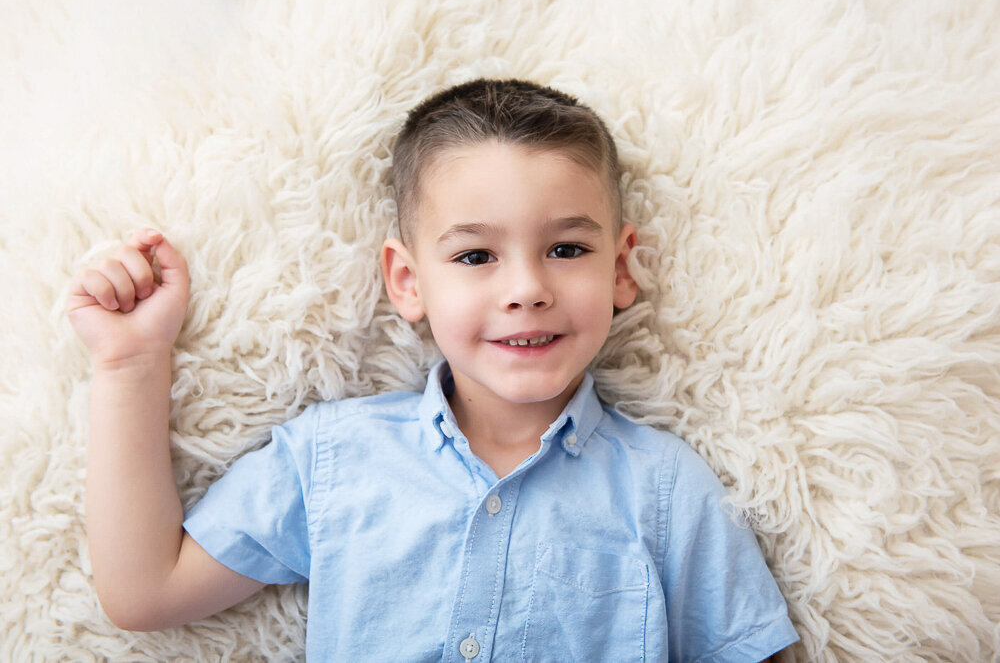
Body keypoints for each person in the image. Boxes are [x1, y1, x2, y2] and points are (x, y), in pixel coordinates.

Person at [67, 78, 799, 661]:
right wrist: (130, 363)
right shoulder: (332, 462)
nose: (526, 289)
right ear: (408, 281)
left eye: (567, 249)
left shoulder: (666, 490)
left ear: (621, 266)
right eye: (476, 256)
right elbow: (143, 594)